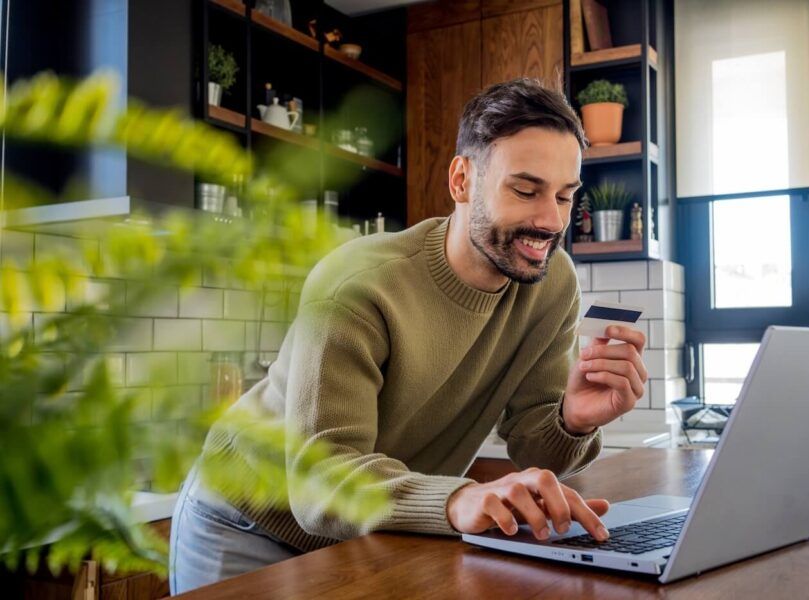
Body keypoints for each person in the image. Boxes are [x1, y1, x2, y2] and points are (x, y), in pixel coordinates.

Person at [169, 78, 648, 594]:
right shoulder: (357, 286)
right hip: (249, 520)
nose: (550, 220)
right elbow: (318, 485)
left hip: (374, 529)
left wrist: (572, 422)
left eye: (564, 196)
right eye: (525, 190)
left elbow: (540, 446)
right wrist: (454, 499)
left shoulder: (553, 284)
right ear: (462, 180)